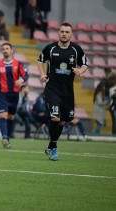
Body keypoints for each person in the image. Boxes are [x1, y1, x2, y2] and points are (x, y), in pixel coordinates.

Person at [37, 22, 88, 161]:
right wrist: (42, 74)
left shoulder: (76, 50)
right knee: (55, 117)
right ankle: (54, 149)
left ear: (71, 34)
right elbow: (40, 60)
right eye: (62, 31)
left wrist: (80, 71)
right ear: (58, 33)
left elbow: (85, 64)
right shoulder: (50, 48)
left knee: (62, 121)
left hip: (67, 91)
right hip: (52, 88)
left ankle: (50, 146)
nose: (64, 34)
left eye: (67, 32)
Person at [0, 42, 29, 149]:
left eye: (7, 48)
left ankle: (7, 139)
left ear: (11, 50)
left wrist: (21, 80)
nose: (5, 50)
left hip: (14, 95)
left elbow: (25, 75)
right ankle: (4, 137)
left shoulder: (18, 64)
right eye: (3, 49)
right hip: (2, 94)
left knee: (11, 117)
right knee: (3, 115)